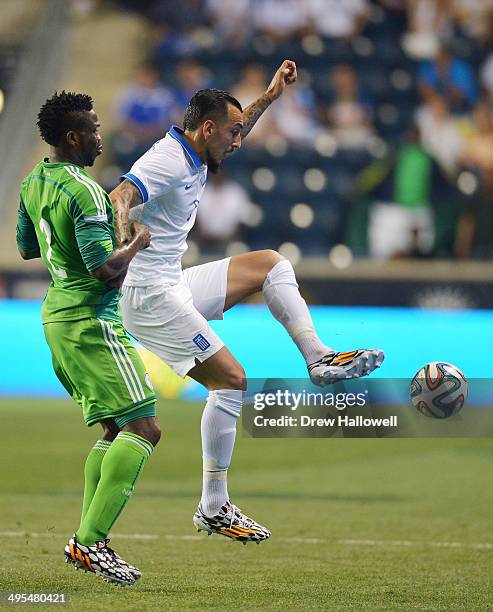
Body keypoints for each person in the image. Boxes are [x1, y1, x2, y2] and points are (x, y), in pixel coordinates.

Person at [109, 60, 384, 544]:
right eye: (232, 133)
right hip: (148, 295)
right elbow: (120, 196)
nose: (238, 142)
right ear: (208, 128)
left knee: (271, 264)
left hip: (171, 283)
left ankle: (318, 358)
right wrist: (124, 247)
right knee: (232, 381)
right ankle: (213, 506)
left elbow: (233, 129)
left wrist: (270, 97)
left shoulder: (196, 152)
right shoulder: (167, 160)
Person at [16, 91, 159, 586]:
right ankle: (91, 541)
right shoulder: (85, 190)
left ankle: (87, 539)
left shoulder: (33, 181)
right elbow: (104, 272)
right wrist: (137, 241)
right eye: (95, 129)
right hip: (91, 320)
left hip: (56, 317)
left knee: (116, 430)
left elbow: (27, 246)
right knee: (144, 428)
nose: (101, 137)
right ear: (75, 137)